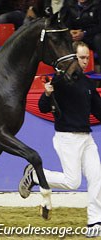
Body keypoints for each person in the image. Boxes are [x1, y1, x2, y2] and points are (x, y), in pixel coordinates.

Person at [18, 41, 101, 237]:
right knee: (73, 182)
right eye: (81, 57)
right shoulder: (59, 81)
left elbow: (99, 112)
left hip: (86, 138)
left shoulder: (89, 83)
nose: (84, 61)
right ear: (72, 57)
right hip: (67, 138)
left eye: (87, 58)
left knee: (98, 177)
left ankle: (95, 220)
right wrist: (47, 94)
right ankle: (36, 176)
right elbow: (43, 107)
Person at [61, 0, 101, 68]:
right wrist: (70, 31)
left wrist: (84, 33)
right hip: (75, 35)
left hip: (92, 35)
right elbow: (64, 23)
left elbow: (99, 26)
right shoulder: (68, 4)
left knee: (98, 39)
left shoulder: (98, 4)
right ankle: (65, 69)